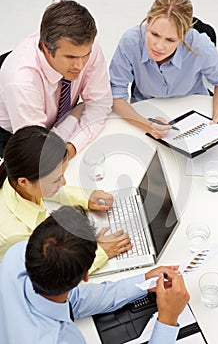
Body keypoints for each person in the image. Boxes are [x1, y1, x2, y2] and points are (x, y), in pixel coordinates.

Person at [0, 205, 190, 344]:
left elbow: (74, 299)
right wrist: (167, 320)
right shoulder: (61, 340)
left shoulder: (16, 255)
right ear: (85, 276)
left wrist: (143, 282)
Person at [0, 125, 132, 272]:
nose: (64, 183)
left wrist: (85, 197)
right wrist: (97, 253)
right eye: (56, 180)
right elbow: (46, 281)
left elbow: (45, 189)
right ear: (24, 182)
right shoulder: (14, 235)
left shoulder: (15, 174)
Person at [0, 0, 112, 158]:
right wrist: (74, 117)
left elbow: (100, 103)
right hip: (16, 135)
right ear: (46, 47)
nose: (79, 66)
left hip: (54, 120)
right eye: (70, 57)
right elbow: (39, 150)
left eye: (85, 56)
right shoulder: (21, 81)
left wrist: (72, 147)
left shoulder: (85, 47)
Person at [109, 0, 218, 139]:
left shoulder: (199, 44)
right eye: (155, 34)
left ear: (184, 33)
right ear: (148, 21)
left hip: (193, 110)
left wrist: (217, 119)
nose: (159, 46)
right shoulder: (130, 41)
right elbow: (116, 95)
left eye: (170, 40)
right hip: (148, 112)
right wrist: (146, 124)